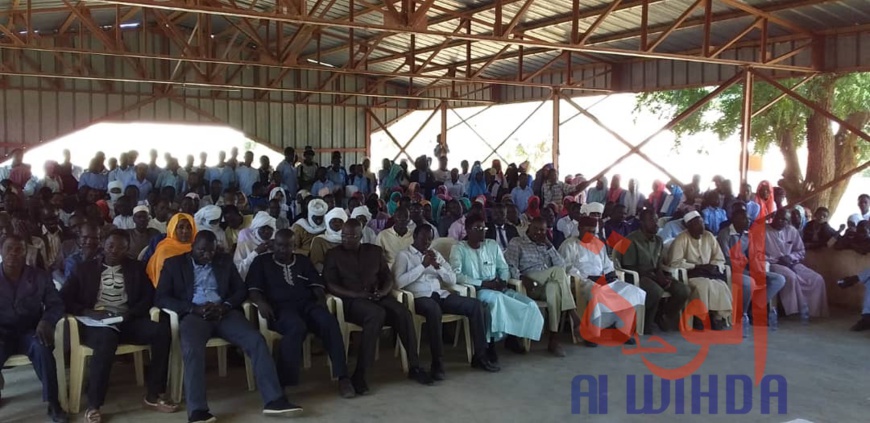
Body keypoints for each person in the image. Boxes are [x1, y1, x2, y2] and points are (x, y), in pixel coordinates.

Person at [155, 231, 301, 421]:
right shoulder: (174, 264)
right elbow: (161, 297)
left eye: (212, 251)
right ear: (192, 247)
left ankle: (274, 400)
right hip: (194, 315)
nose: (207, 255)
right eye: (202, 251)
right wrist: (192, 309)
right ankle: (198, 411)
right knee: (192, 349)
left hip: (223, 313)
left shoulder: (223, 261)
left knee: (256, 340)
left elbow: (240, 290)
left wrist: (225, 306)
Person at [61, 230, 178, 421]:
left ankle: (153, 394)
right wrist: (88, 312)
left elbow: (148, 297)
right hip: (96, 324)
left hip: (126, 320)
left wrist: (130, 313)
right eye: (111, 246)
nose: (114, 251)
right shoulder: (84, 269)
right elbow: (65, 298)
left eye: (121, 247)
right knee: (106, 340)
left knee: (161, 331)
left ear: (127, 249)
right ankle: (94, 405)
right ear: (104, 245)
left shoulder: (135, 268)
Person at [322, 219, 435, 393]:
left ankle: (415, 366)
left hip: (377, 297)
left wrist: (383, 292)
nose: (346, 239)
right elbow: (330, 285)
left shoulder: (373, 251)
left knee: (403, 313)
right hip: (352, 301)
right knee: (376, 314)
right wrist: (358, 294)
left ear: (361, 236)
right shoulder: (333, 254)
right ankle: (360, 374)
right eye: (344, 235)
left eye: (351, 236)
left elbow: (388, 277)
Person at [242, 229, 354, 398]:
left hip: (306, 305)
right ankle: (283, 383)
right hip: (279, 309)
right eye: (279, 245)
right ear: (273, 244)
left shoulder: (302, 260)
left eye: (288, 246)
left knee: (329, 322)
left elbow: (316, 283)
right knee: (296, 327)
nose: (283, 249)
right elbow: (253, 288)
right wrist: (260, 302)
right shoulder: (261, 262)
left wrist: (320, 297)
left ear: (294, 246)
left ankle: (343, 377)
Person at [393, 225, 499, 378]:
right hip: (419, 297)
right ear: (415, 237)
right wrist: (423, 266)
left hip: (441, 294)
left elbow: (452, 280)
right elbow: (398, 283)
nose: (427, 242)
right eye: (423, 238)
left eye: (430, 239)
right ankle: (437, 363)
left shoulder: (435, 254)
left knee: (476, 306)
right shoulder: (404, 255)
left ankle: (481, 356)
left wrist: (437, 267)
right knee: (433, 310)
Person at [0, 234, 67, 422]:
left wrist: (47, 321)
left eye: (19, 249)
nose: (14, 253)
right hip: (2, 333)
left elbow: (56, 304)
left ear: (25, 252)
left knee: (42, 349)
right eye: (9, 249)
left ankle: (54, 403)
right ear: (1, 251)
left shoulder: (39, 276)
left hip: (31, 330)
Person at [560, 216, 646, 346]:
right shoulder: (569, 245)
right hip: (581, 282)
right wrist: (589, 278)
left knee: (631, 291)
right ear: (579, 229)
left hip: (602, 280)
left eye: (593, 232)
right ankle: (591, 334)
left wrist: (611, 275)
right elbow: (566, 268)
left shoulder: (598, 244)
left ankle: (623, 331)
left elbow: (607, 265)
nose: (590, 234)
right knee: (597, 292)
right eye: (587, 231)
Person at [504, 218, 580, 356]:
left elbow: (562, 266)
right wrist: (521, 278)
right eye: (536, 229)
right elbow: (510, 265)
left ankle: (553, 338)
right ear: (529, 229)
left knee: (554, 289)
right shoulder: (517, 242)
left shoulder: (546, 245)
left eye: (542, 230)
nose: (539, 233)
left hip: (546, 284)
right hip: (529, 283)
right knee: (556, 272)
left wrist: (549, 245)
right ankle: (573, 313)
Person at [717, 208, 787, 323]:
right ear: (735, 220)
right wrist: (746, 269)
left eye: (749, 218)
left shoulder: (748, 234)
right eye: (745, 218)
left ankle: (754, 309)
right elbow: (725, 260)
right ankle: (742, 314)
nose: (748, 221)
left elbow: (754, 256)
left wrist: (757, 270)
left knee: (778, 279)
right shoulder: (725, 234)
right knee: (749, 282)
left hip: (747, 271)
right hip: (730, 272)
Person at [667, 211, 732, 330]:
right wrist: (696, 267)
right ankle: (700, 316)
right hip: (691, 274)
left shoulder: (709, 236)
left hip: (708, 273)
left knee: (721, 285)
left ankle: (717, 317)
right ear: (689, 226)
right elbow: (675, 262)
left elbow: (719, 258)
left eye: (702, 223)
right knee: (703, 285)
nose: (702, 226)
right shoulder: (681, 239)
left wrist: (713, 266)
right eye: (697, 224)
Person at [765, 209, 829, 319]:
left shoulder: (792, 231)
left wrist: (790, 257)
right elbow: (755, 253)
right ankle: (793, 312)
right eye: (780, 218)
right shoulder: (762, 231)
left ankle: (814, 311)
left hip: (791, 263)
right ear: (774, 216)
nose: (782, 222)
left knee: (817, 278)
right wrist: (777, 259)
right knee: (791, 277)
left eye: (785, 220)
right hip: (772, 264)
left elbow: (800, 251)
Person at [146, 213, 196, 287]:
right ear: (173, 229)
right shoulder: (165, 249)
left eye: (189, 227)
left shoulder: (197, 248)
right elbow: (161, 279)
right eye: (181, 227)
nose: (185, 231)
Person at [233, 211, 276, 279]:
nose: (267, 231)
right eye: (263, 228)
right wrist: (255, 252)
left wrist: (276, 250)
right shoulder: (244, 245)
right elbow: (237, 270)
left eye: (270, 228)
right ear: (256, 229)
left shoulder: (277, 243)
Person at [309, 208, 347, 273]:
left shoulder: (349, 239)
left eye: (340, 221)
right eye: (334, 220)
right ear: (328, 222)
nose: (337, 223)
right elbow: (316, 263)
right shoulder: (319, 240)